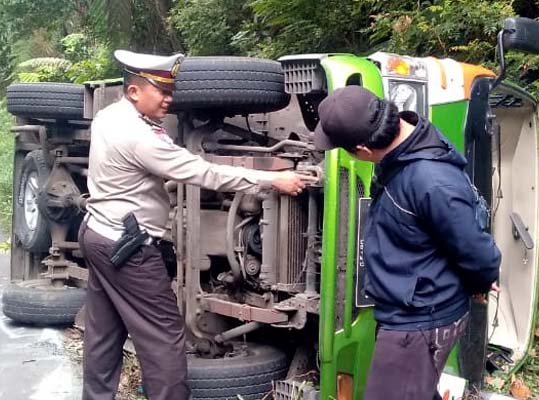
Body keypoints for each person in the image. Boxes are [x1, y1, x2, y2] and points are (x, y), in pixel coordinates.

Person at [79, 50, 315, 400]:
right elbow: (204, 172)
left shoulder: (108, 116)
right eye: (161, 91)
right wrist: (271, 179)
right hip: (129, 248)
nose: (169, 99)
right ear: (133, 92)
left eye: (170, 90)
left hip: (98, 232)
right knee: (163, 337)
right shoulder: (139, 137)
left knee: (104, 332)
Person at [313, 86, 501, 400]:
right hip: (413, 309)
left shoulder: (430, 181)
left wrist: (481, 280)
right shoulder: (408, 141)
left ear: (361, 149)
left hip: (420, 321)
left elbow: (476, 250)